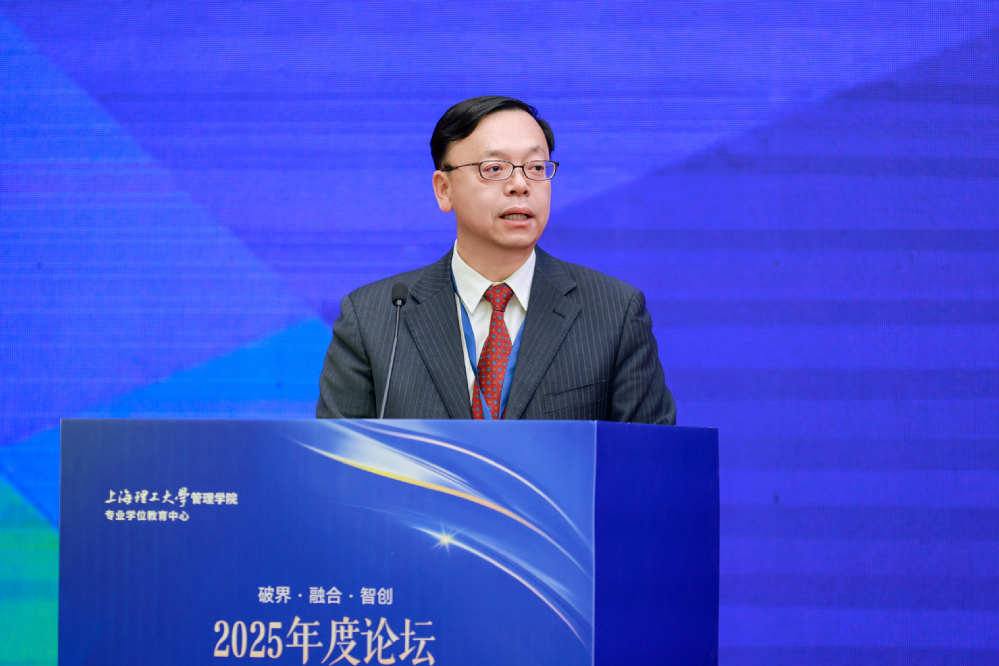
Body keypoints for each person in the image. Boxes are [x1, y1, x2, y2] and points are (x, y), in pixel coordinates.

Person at [317, 96, 675, 424]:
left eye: (536, 167)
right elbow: (336, 463)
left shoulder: (614, 313)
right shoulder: (375, 319)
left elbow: (652, 462)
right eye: (494, 168)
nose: (520, 184)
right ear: (444, 189)